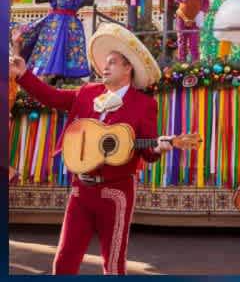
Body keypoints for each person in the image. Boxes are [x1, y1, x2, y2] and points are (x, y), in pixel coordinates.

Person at [9, 23, 174, 274]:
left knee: (114, 264)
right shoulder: (88, 92)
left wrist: (160, 148)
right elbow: (52, 97)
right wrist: (23, 74)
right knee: (64, 261)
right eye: (104, 63)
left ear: (128, 68)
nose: (104, 67)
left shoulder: (143, 104)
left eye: (112, 63)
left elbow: (147, 151)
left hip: (116, 193)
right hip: (81, 190)